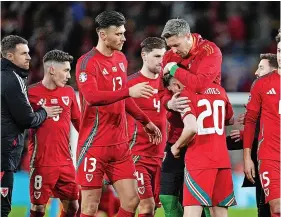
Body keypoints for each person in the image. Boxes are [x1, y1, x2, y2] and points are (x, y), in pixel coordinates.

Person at [75, 11, 162, 217]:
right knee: (89, 207)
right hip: (94, 145)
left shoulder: (121, 59)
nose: (124, 38)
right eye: (119, 34)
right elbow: (92, 96)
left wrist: (145, 121)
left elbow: (124, 98)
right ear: (103, 35)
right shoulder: (87, 63)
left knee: (131, 202)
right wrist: (128, 91)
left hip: (120, 146)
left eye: (124, 33)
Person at [159, 18, 222, 217]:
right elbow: (160, 92)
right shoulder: (169, 56)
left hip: (202, 139)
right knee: (167, 197)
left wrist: (175, 69)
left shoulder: (210, 52)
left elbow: (200, 85)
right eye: (170, 46)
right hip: (176, 134)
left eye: (176, 45)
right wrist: (169, 103)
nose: (173, 51)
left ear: (188, 36)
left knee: (203, 203)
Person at [1, 35, 62, 217]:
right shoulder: (12, 79)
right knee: (2, 209)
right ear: (10, 56)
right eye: (24, 53)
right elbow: (27, 119)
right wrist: (44, 111)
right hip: (4, 154)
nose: (29, 57)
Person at [163, 74, 236, 217]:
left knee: (192, 212)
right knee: (220, 213)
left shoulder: (186, 93)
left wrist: (176, 146)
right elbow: (231, 119)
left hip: (200, 158)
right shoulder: (220, 90)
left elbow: (191, 128)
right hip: (222, 160)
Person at [27, 50, 81, 217]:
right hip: (42, 161)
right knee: (38, 208)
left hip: (65, 161)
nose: (68, 76)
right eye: (65, 70)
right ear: (51, 69)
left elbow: (79, 122)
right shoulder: (30, 93)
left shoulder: (69, 92)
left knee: (73, 205)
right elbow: (20, 121)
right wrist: (41, 113)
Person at [227, 53, 277, 217]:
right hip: (263, 154)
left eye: (261, 67)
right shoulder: (260, 88)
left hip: (270, 151)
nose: (256, 72)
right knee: (264, 207)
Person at [126, 37, 167, 217]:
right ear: (144, 55)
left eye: (164, 57)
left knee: (151, 209)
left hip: (161, 156)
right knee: (145, 205)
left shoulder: (168, 84)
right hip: (137, 156)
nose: (161, 61)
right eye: (157, 56)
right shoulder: (130, 85)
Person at [243, 31, 281, 217]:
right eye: (279, 51)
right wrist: (247, 157)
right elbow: (250, 121)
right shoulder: (262, 84)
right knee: (277, 209)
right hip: (270, 156)